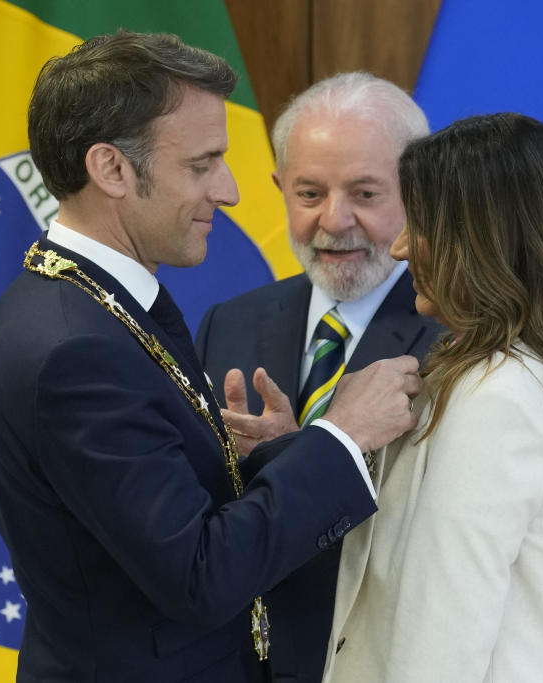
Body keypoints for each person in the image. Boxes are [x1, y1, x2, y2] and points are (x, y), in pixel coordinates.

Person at [0, 31, 422, 683]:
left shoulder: (89, 304)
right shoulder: (77, 346)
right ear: (112, 169)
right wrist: (341, 435)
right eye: (202, 163)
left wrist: (280, 452)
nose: (232, 189)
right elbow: (200, 573)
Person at [322, 113, 543, 682]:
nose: (398, 249)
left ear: (483, 241)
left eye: (418, 226)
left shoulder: (497, 396)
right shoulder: (520, 376)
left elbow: (439, 642)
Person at [194, 73, 443, 681]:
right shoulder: (230, 322)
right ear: (279, 188)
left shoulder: (461, 334)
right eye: (309, 193)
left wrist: (311, 456)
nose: (335, 221)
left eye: (364, 193)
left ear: (419, 194)